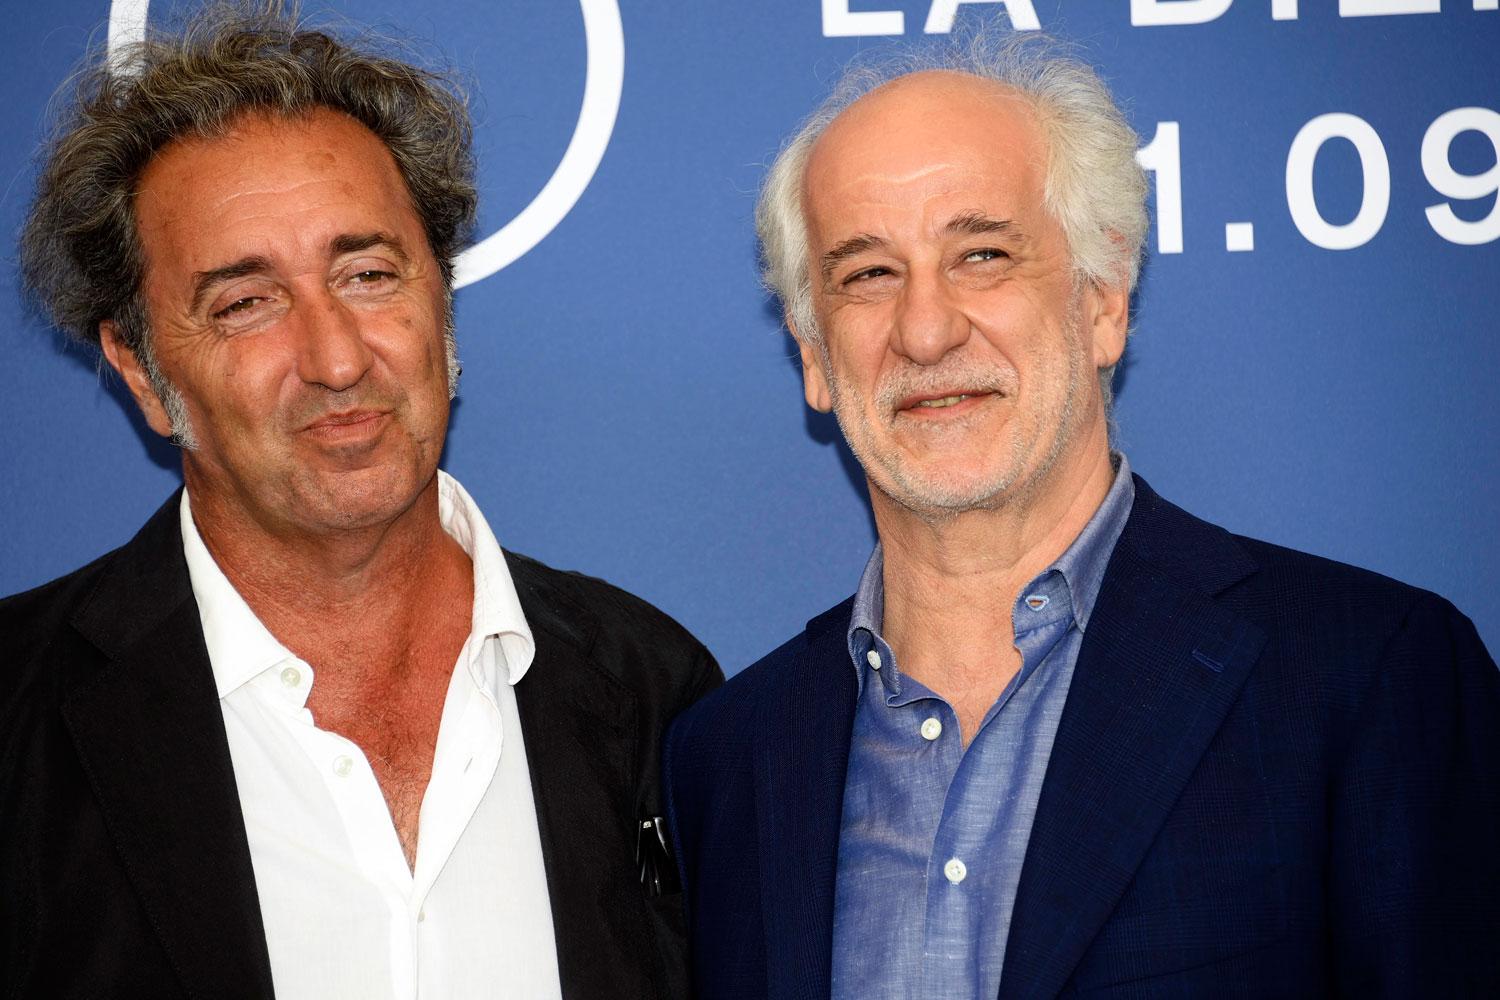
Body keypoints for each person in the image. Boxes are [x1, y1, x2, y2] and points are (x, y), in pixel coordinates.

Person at [662, 33, 1500, 999]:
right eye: (869, 274)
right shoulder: (729, 756)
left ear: (1104, 303)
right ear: (814, 354)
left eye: (982, 255)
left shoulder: (1365, 677)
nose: (925, 330)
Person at [1, 6, 720, 999]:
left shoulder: (660, 695)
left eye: (369, 274)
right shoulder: (18, 718)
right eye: (245, 303)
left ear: (442, 304)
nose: (337, 358)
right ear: (138, 369)